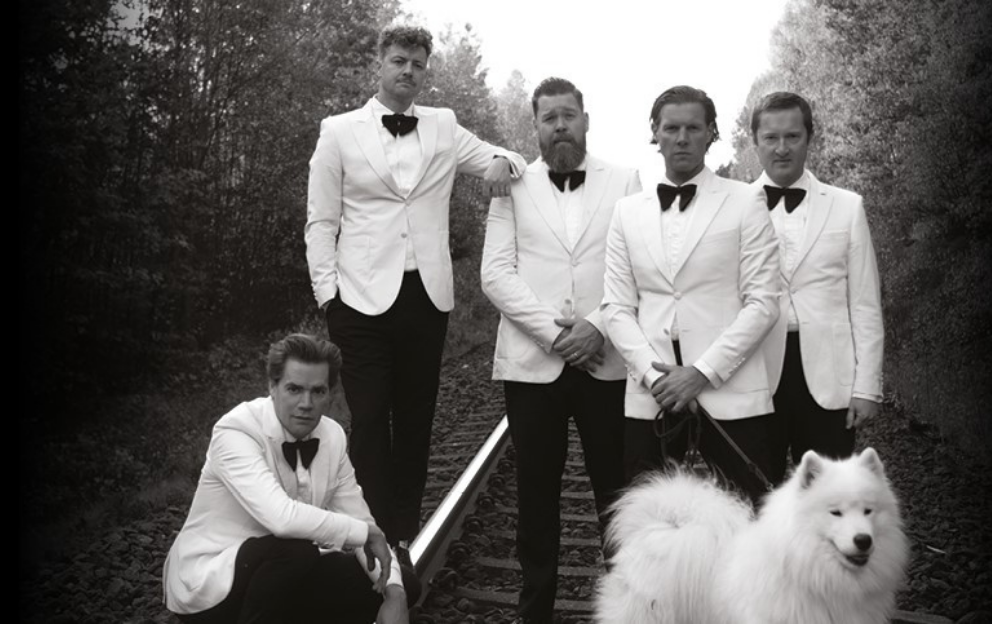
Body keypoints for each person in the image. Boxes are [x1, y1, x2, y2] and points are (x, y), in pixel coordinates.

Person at [304, 24, 527, 567]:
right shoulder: (339, 131)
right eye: (399, 60)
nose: (408, 70)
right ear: (379, 64)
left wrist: (503, 161)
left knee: (415, 420)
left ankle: (400, 537)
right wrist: (328, 295)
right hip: (358, 302)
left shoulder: (443, 125)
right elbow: (321, 221)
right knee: (368, 418)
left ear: (426, 71)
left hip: (426, 300)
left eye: (418, 64)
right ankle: (370, 532)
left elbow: (507, 158)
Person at [480, 77, 641, 624]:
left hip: (607, 361)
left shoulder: (625, 181)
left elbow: (637, 267)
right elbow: (495, 274)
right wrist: (557, 338)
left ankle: (627, 610)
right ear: (536, 126)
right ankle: (535, 614)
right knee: (535, 499)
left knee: (617, 497)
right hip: (533, 367)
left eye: (568, 115)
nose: (560, 126)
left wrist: (597, 326)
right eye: (549, 118)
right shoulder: (512, 184)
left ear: (585, 120)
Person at [601, 85, 783, 503]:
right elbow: (616, 307)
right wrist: (656, 378)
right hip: (653, 395)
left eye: (693, 128)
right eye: (671, 128)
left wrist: (700, 373)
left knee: (749, 517)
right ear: (655, 133)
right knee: (647, 522)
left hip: (730, 392)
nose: (681, 138)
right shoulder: (626, 212)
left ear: (710, 133)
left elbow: (762, 304)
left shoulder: (747, 201)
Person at [162, 334, 408, 624]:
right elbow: (282, 519)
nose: (306, 403)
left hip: (281, 577)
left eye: (318, 391)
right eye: (294, 389)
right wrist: (365, 533)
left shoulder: (332, 436)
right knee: (296, 551)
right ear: (272, 387)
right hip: (209, 585)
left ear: (330, 394)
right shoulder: (236, 430)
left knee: (403, 585)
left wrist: (395, 592)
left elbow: (358, 517)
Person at [751, 91, 884, 465]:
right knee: (756, 493)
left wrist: (867, 387)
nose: (782, 148)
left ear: (809, 138)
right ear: (755, 142)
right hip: (755, 375)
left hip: (829, 377)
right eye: (771, 137)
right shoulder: (732, 208)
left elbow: (865, 303)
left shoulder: (848, 206)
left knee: (828, 494)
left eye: (792, 136)